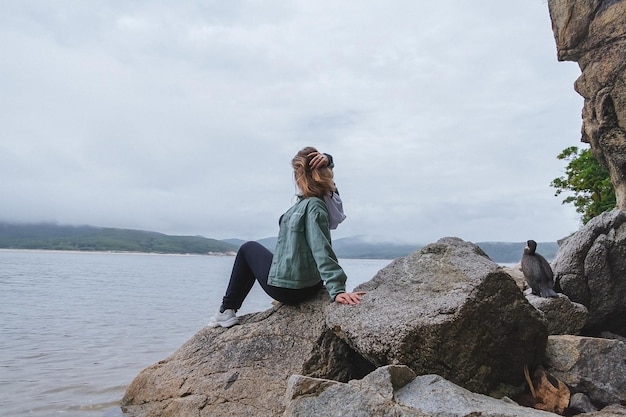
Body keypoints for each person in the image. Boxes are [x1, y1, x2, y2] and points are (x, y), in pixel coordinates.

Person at [208, 146, 365, 328]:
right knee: (256, 253)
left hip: (290, 289)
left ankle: (226, 310)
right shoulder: (313, 201)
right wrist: (328, 160)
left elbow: (321, 248)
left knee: (247, 249)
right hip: (307, 283)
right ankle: (227, 310)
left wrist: (337, 290)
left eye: (296, 172)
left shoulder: (315, 205)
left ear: (301, 175)